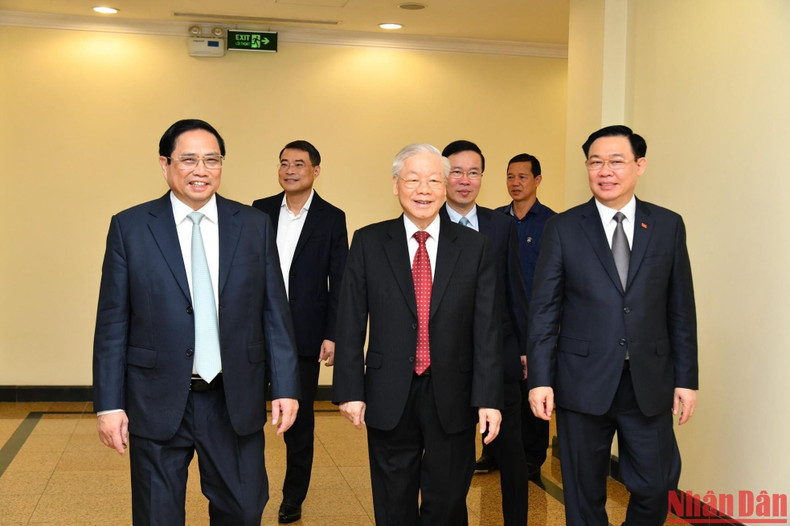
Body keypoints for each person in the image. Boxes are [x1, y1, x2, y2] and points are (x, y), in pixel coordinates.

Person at [93, 119, 300, 525]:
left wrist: (286, 386)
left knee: (243, 509)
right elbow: (112, 323)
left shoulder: (253, 225)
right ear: (165, 164)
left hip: (232, 396)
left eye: (212, 160)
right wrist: (110, 404)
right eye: (188, 160)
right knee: (157, 515)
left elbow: (274, 312)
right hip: (156, 396)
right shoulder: (130, 228)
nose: (201, 170)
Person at [528, 125, 698, 525]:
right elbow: (544, 310)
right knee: (583, 493)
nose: (605, 171)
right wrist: (540, 379)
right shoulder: (564, 227)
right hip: (581, 380)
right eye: (595, 162)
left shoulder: (667, 225)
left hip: (648, 381)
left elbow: (681, 309)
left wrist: (686, 379)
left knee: (657, 485)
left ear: (640, 165)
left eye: (616, 161)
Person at [332, 143, 504, 526]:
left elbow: (487, 329)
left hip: (454, 393)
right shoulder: (369, 242)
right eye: (413, 180)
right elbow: (350, 321)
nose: (423, 190)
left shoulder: (474, 247)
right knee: (393, 502)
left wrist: (489, 399)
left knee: (447, 503)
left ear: (445, 187)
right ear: (396, 185)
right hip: (388, 390)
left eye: (433, 180)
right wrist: (349, 390)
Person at [252, 140, 348, 524]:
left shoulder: (331, 218)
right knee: (245, 416)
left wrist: (333, 333)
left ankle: (293, 497)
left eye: (298, 164)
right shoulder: (258, 211)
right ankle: (248, 490)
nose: (290, 170)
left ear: (315, 170)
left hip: (305, 335)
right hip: (256, 332)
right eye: (284, 163)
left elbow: (339, 281)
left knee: (300, 421)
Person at [439, 140, 530, 525]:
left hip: (500, 355)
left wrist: (524, 347)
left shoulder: (501, 225)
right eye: (456, 172)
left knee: (511, 454)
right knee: (453, 459)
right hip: (447, 361)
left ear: (482, 177)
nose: (465, 180)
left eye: (473, 172)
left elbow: (514, 289)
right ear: (443, 177)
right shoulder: (428, 222)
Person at [488, 153, 556, 481]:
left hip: (537, 323)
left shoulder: (553, 224)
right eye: (510, 176)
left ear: (537, 180)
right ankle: (492, 452)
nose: (515, 183)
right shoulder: (495, 221)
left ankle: (531, 459)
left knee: (534, 390)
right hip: (500, 322)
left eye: (523, 177)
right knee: (497, 387)